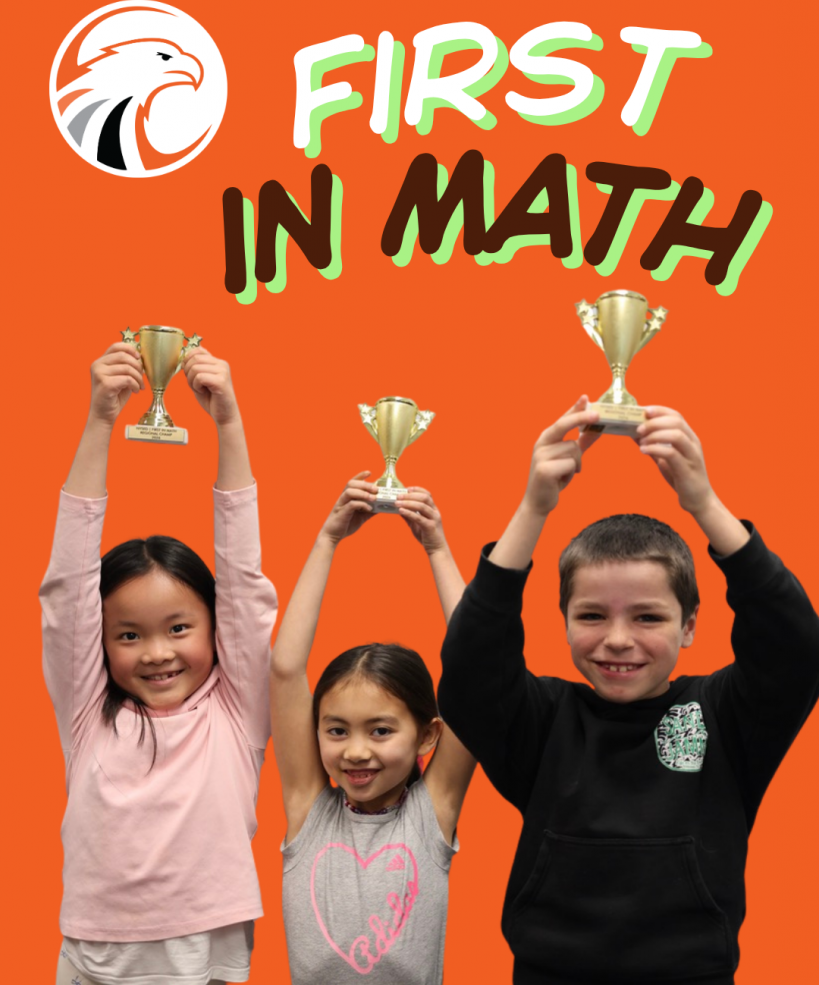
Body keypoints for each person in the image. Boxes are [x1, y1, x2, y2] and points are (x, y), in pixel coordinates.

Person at [437, 397, 819, 985]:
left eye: (647, 618)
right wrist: (533, 508)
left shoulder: (722, 717)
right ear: (562, 619)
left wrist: (703, 503)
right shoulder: (541, 722)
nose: (618, 640)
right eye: (592, 615)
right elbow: (469, 671)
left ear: (689, 625)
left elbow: (794, 646)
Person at [42, 341, 278, 985]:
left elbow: (242, 579)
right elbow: (67, 588)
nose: (157, 653)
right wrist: (99, 421)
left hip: (207, 951)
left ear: (214, 625)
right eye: (129, 635)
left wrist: (228, 424)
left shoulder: (236, 708)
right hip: (98, 952)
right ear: (102, 641)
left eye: (178, 628)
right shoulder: (88, 711)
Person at [270, 475, 476, 984]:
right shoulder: (307, 808)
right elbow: (284, 670)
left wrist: (437, 548)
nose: (356, 751)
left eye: (380, 731)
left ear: (428, 736)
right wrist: (327, 540)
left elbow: (478, 667)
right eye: (336, 731)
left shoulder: (433, 814)